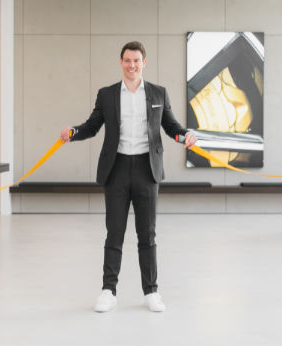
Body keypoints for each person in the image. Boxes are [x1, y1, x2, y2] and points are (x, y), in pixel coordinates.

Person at [60, 41, 197, 312]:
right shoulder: (107, 94)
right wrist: (73, 133)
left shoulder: (158, 93)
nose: (132, 65)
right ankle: (108, 291)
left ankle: (151, 292)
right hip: (117, 169)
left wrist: (186, 136)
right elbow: (92, 126)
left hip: (147, 169)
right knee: (115, 233)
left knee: (147, 234)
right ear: (121, 63)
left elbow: (171, 127)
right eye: (127, 60)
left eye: (136, 60)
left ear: (144, 63)